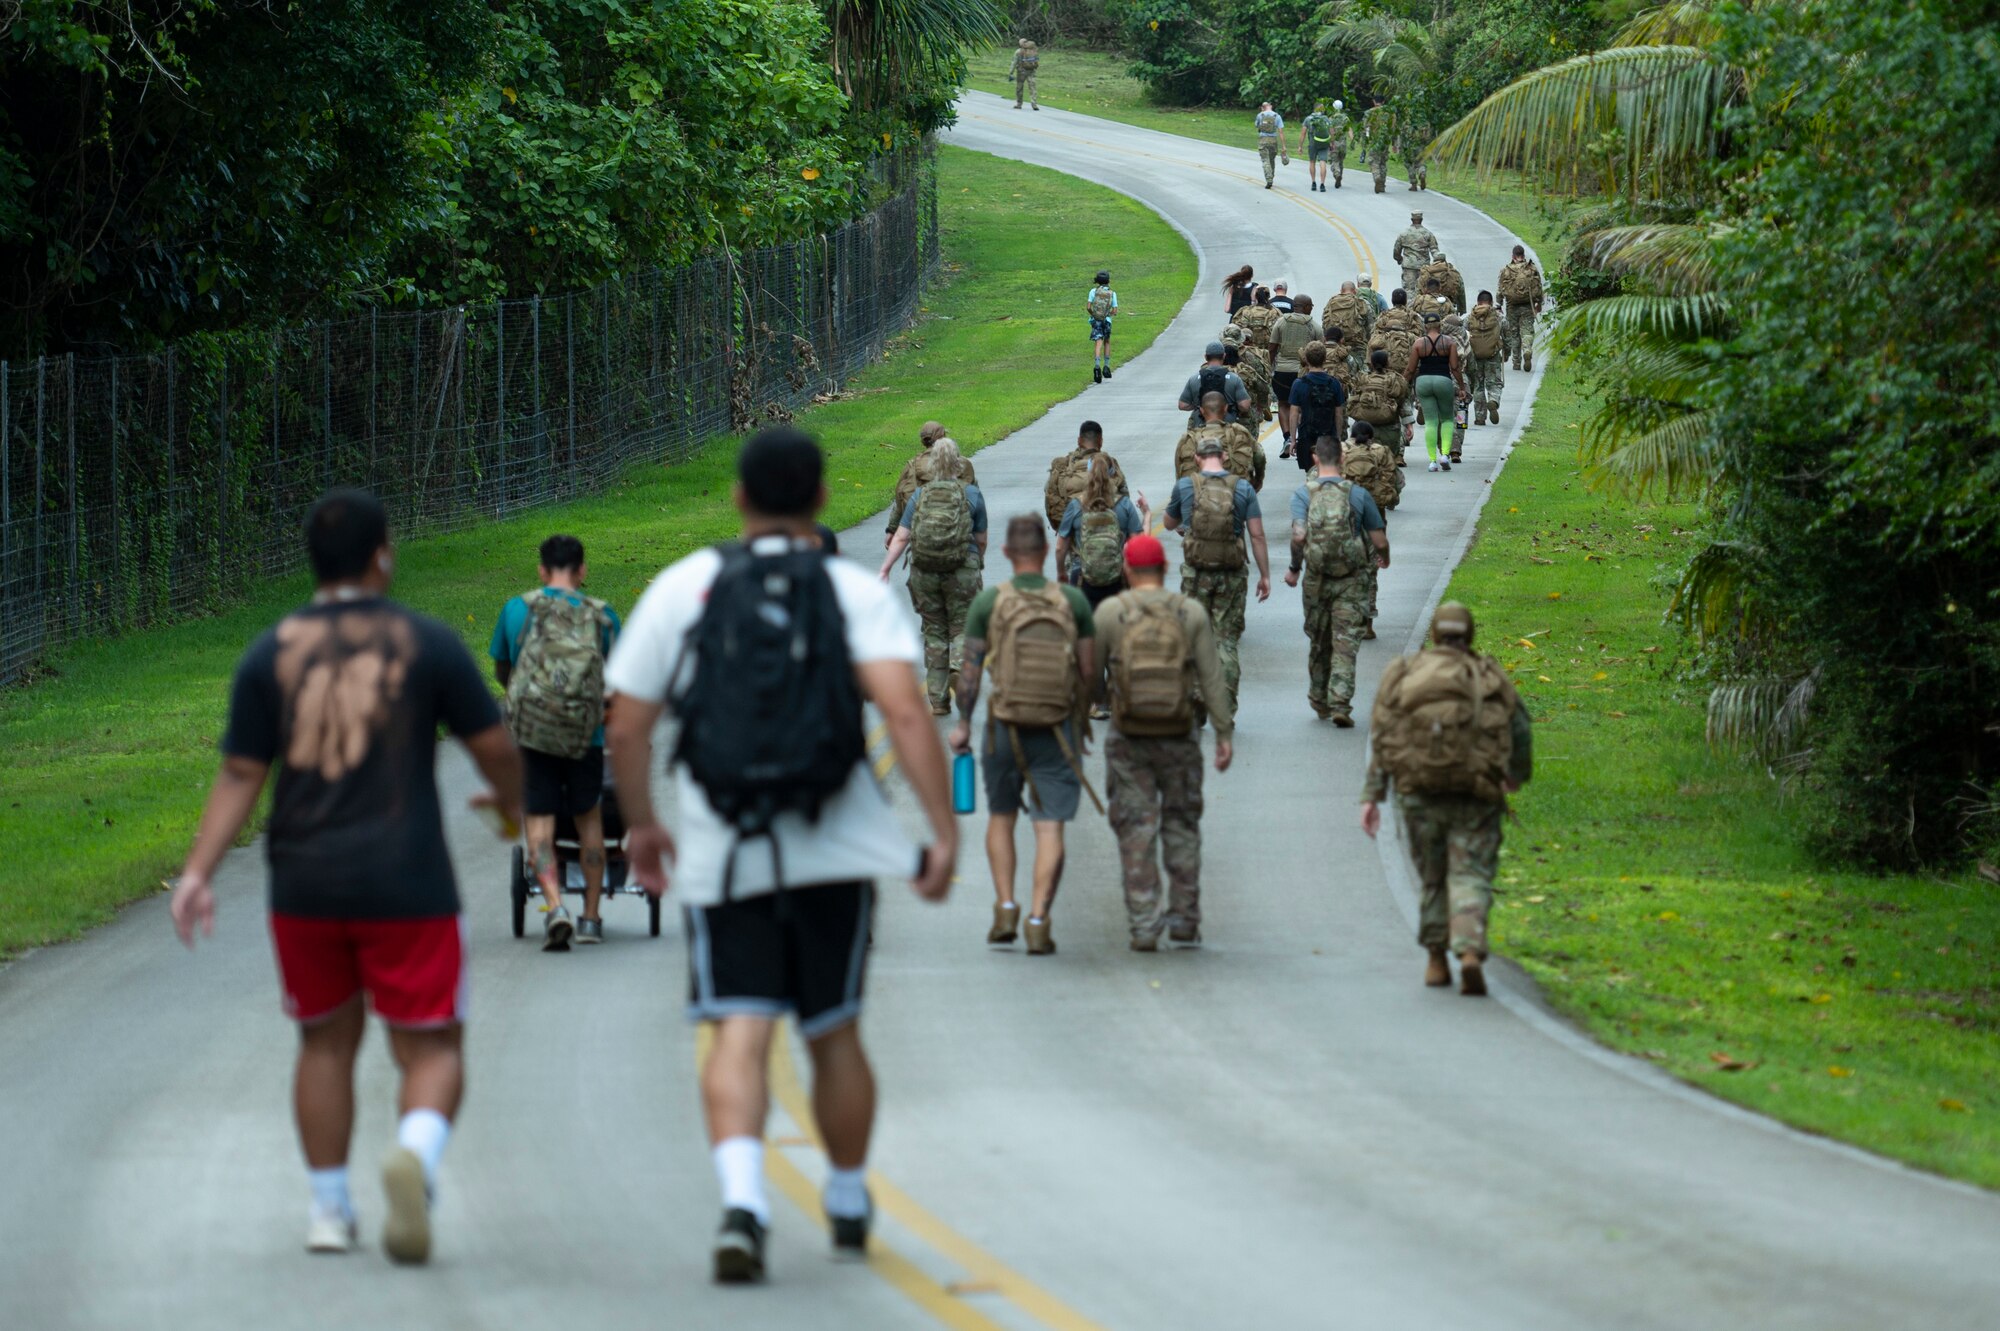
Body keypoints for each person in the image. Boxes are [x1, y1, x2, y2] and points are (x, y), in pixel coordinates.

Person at [605, 425, 957, 1282]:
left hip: (726, 854)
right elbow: (907, 717)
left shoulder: (686, 587)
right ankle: (842, 1196)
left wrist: (644, 824)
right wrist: (941, 832)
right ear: (821, 500)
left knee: (739, 1028)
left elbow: (627, 721)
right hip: (838, 852)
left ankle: (743, 1202)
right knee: (833, 1031)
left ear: (738, 498)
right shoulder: (849, 594)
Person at [170, 488, 524, 1264]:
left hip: (304, 882)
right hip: (410, 881)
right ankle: (416, 1157)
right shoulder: (425, 642)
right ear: (382, 556)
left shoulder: (272, 652)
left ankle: (330, 1209)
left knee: (323, 1043)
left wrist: (198, 871)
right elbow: (494, 744)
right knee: (432, 1047)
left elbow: (238, 772)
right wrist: (510, 805)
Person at [1361, 601, 1533, 996]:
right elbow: (1519, 728)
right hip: (1475, 795)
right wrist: (1514, 775)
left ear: (1435, 635)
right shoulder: (1487, 675)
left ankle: (1436, 960)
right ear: (1469, 635)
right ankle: (1469, 950)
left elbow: (1383, 733)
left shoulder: (1404, 673)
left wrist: (1372, 795)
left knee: (1433, 877)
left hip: (1419, 795)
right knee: (1469, 872)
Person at [950, 514, 1098, 957]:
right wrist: (1080, 717)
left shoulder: (990, 602)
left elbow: (971, 673)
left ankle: (1006, 908)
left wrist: (962, 724)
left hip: (1004, 726)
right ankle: (1038, 920)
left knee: (1001, 818)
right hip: (1057, 726)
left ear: (1007, 554)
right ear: (1042, 551)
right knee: (1049, 825)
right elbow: (1090, 672)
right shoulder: (1072, 600)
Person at [1091, 533, 1232, 951]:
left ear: (1127, 570)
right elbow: (1211, 676)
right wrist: (1222, 732)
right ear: (1166, 569)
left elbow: (1090, 674)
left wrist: (1086, 717)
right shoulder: (1189, 613)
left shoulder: (1111, 612)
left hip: (1128, 735)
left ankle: (1144, 923)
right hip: (1178, 733)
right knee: (1182, 823)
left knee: (1136, 829)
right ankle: (1185, 918)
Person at [490, 534, 623, 947]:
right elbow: (613, 681)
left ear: (542, 571)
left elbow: (503, 671)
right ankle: (592, 919)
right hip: (585, 734)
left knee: (540, 825)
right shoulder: (603, 616)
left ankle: (555, 906)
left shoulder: (516, 610)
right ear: (582, 571)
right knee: (589, 822)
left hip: (534, 734)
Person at [1163, 435, 1271, 722]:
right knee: (1226, 640)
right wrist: (1265, 575)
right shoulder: (1242, 488)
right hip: (1232, 572)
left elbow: (1168, 523)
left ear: (1197, 459)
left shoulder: (1186, 485)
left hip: (1196, 572)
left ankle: (1196, 696)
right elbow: (1257, 535)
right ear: (1224, 457)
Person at [881, 438, 988, 715]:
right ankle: (958, 665)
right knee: (962, 625)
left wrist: (886, 568)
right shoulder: (972, 493)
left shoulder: (920, 495)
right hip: (962, 570)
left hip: (924, 571)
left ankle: (938, 700)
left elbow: (902, 536)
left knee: (934, 632)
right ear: (957, 462)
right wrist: (978, 561)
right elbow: (981, 537)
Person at [1285, 446, 1388, 725]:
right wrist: (1384, 558)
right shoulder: (1357, 494)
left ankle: (1319, 698)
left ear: (1315, 459)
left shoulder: (1303, 494)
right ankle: (1341, 702)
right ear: (1342, 460)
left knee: (1319, 640)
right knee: (1345, 641)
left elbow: (1298, 535)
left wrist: (1295, 569)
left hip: (1316, 579)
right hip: (1350, 579)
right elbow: (1378, 539)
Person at [1055, 454, 1149, 612]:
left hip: (1082, 578)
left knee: (1083, 629)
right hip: (1117, 579)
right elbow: (1139, 546)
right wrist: (1147, 516)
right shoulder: (1124, 504)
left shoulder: (1075, 505)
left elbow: (1060, 547)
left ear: (1088, 473)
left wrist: (1061, 572)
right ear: (1113, 474)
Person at [1341, 419, 1402, 639]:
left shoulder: (1341, 449)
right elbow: (1393, 480)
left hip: (1343, 512)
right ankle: (1367, 623)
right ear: (1372, 437)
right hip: (1374, 513)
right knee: (1369, 568)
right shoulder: (1381, 451)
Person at [885, 421, 977, 547]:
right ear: (944, 437)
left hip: (922, 527)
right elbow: (974, 497)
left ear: (923, 441)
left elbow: (900, 497)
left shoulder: (913, 465)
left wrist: (891, 530)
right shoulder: (961, 463)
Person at [1043, 419, 1130, 541]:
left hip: (1072, 538)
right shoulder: (1109, 465)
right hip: (1107, 540)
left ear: (1079, 440)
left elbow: (1050, 503)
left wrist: (1062, 529)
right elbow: (1125, 500)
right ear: (1101, 441)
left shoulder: (1063, 466)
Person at [1404, 312, 1469, 473]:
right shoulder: (1449, 342)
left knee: (1431, 422)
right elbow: (1454, 368)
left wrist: (1403, 385)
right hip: (1443, 382)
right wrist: (1461, 387)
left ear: (1425, 326)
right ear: (1440, 325)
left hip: (1424, 383)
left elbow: (1411, 369)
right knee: (1447, 419)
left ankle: (1432, 461)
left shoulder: (1419, 344)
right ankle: (1445, 455)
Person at [1173, 391, 1265, 489]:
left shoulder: (1187, 439)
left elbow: (1179, 472)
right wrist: (1259, 479)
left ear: (1201, 410)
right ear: (1225, 409)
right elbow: (1260, 456)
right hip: (1234, 491)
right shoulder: (1240, 432)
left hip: (1197, 494)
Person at [1270, 294, 1321, 453]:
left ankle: (1287, 438)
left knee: (1283, 404)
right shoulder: (1314, 325)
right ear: (1305, 307)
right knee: (1303, 406)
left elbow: (1272, 348)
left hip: (1282, 372)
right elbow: (1321, 351)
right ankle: (1301, 437)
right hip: (1304, 373)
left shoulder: (1281, 322)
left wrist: (1270, 367)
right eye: (1311, 306)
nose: (1312, 309)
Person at [1288, 342, 1348, 470]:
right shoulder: (1334, 383)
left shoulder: (1298, 384)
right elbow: (1338, 413)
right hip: (1328, 436)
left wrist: (1293, 440)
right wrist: (1337, 437)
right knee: (1328, 470)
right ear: (1325, 359)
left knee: (1310, 472)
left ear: (1306, 359)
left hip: (1306, 436)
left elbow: (1294, 414)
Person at [1350, 348, 1412, 464]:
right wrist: (1408, 424)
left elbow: (1353, 402)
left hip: (1365, 430)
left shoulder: (1362, 379)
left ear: (1371, 364)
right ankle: (1397, 455)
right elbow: (1403, 404)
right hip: (1390, 430)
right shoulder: (1397, 379)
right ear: (1388, 363)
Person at [1177, 341, 1252, 428]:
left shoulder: (1193, 379)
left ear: (1205, 357)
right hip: (1227, 428)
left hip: (1201, 428)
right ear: (1224, 356)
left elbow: (1182, 405)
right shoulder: (1234, 379)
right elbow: (1244, 406)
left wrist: (1200, 406)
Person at [1463, 290, 1507, 429]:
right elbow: (1507, 334)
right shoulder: (1499, 317)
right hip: (1493, 355)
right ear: (1491, 302)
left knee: (1478, 385)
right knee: (1494, 383)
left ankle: (1480, 417)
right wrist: (1508, 351)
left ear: (1478, 302)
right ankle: (1493, 400)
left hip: (1474, 357)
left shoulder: (1469, 317)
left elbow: (1463, 337)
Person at [1498, 244, 1546, 371]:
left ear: (1513, 256)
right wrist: (1539, 303)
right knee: (1527, 330)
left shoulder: (1506, 270)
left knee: (1514, 333)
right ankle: (1527, 349)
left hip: (1511, 306)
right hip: (1528, 305)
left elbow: (1500, 290)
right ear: (1523, 256)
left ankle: (1516, 362)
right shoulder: (1531, 268)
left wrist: (1499, 305)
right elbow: (1539, 287)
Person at [1220, 322, 1273, 428]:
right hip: (1247, 411)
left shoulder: (1214, 356)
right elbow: (1263, 385)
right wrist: (1261, 406)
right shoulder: (1252, 356)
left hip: (1219, 412)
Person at [1321, 281, 1370, 374]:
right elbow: (1370, 327)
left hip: (1335, 347)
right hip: (1357, 346)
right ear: (1355, 291)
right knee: (1360, 373)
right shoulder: (1362, 303)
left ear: (1341, 290)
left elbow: (1325, 323)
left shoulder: (1331, 302)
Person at [1393, 212, 1439, 297]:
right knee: (1423, 290)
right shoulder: (1428, 234)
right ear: (1421, 220)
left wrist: (1399, 259)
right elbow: (1434, 250)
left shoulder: (1404, 234)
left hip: (1408, 266)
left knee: (1409, 290)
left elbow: (1396, 250)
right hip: (1424, 267)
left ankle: (1409, 308)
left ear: (1412, 219)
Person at [1086, 269, 1119, 384]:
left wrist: (1094, 315)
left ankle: (1096, 365)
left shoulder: (1093, 291)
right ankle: (1106, 365)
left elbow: (1088, 307)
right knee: (1107, 341)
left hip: (1096, 320)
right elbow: (1114, 310)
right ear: (1108, 281)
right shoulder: (1112, 293)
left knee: (1098, 342)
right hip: (1107, 320)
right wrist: (1108, 315)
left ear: (1097, 281)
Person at [1300, 101, 1336, 192]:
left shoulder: (1308, 119)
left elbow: (1303, 133)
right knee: (1323, 162)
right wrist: (1332, 143)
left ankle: (1313, 182)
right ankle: (1322, 184)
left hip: (1312, 144)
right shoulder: (1326, 119)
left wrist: (1300, 146)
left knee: (1312, 162)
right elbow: (1332, 131)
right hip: (1324, 143)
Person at [1254, 102, 1288, 188]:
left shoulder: (1260, 115)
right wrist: (1283, 146)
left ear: (1263, 107)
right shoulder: (1277, 116)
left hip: (1263, 140)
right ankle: (1271, 176)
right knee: (1272, 160)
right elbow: (1281, 132)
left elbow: (1257, 126)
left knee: (1265, 160)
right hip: (1273, 141)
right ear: (1271, 106)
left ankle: (1269, 179)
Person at [1363, 97, 1392, 193]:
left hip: (1374, 140)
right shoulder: (1388, 113)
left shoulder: (1369, 112)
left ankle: (1377, 177)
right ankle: (1382, 185)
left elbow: (1366, 127)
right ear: (1383, 101)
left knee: (1373, 161)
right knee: (1383, 163)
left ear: (1374, 101)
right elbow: (1392, 127)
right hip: (1385, 141)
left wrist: (1366, 139)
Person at [1010, 38, 1040, 110]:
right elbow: (1037, 60)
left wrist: (1011, 72)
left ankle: (1019, 104)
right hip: (1031, 71)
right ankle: (1034, 104)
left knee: (1019, 87)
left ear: (1020, 44)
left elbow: (1014, 62)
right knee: (1032, 87)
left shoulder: (1018, 51)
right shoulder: (1033, 50)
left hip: (1021, 72)